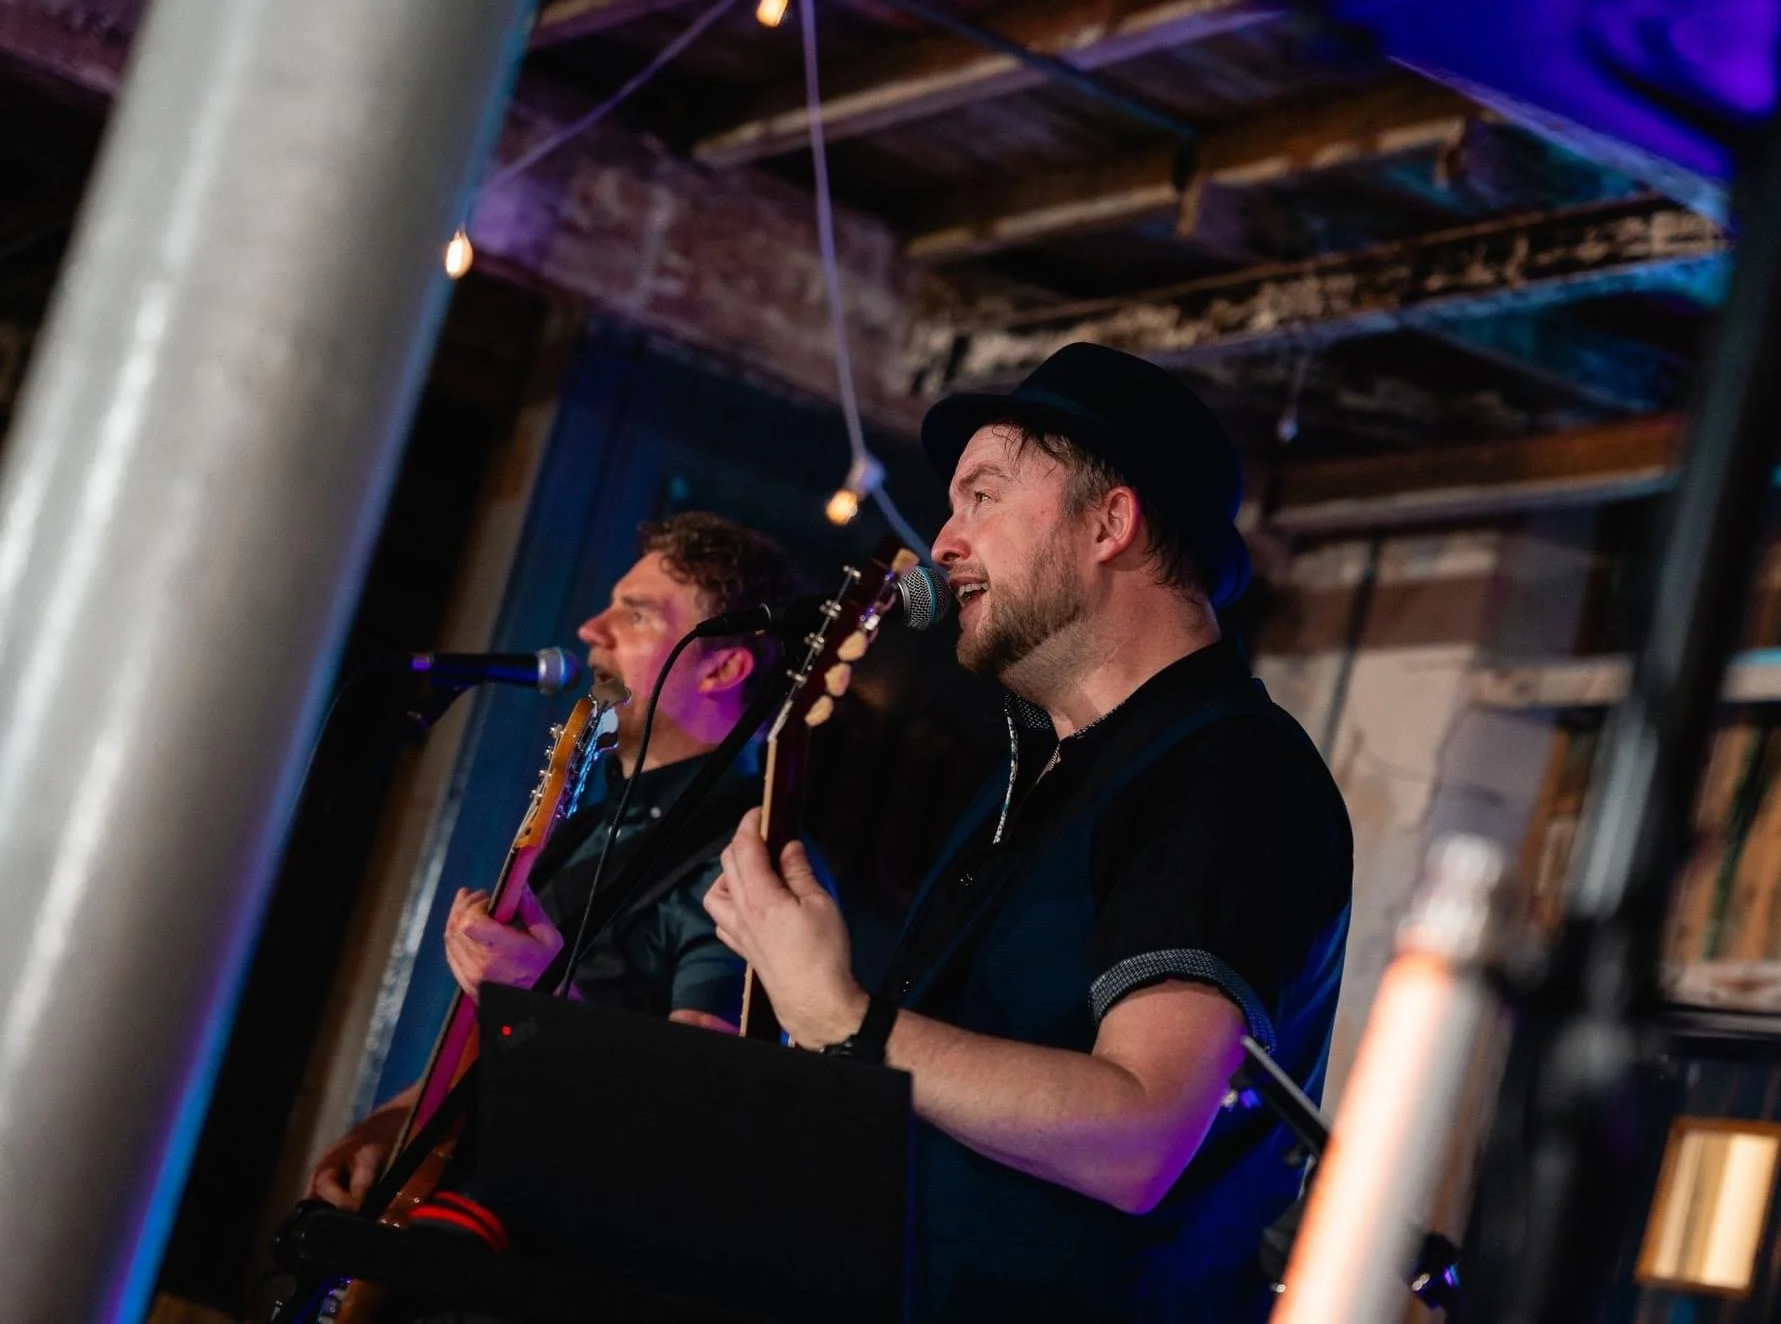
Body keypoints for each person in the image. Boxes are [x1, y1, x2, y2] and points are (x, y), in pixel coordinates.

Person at [708, 343, 1354, 1323]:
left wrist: (844, 1016)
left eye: (982, 496)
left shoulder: (1229, 772)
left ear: (1110, 522)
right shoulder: (1036, 772)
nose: (942, 540)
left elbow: (1141, 1132)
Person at [308, 510, 802, 1212]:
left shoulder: (749, 856)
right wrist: (386, 1130)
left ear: (723, 666)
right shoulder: (593, 823)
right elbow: (487, 1052)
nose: (590, 631)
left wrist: (533, 990)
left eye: (634, 616)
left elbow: (696, 1107)